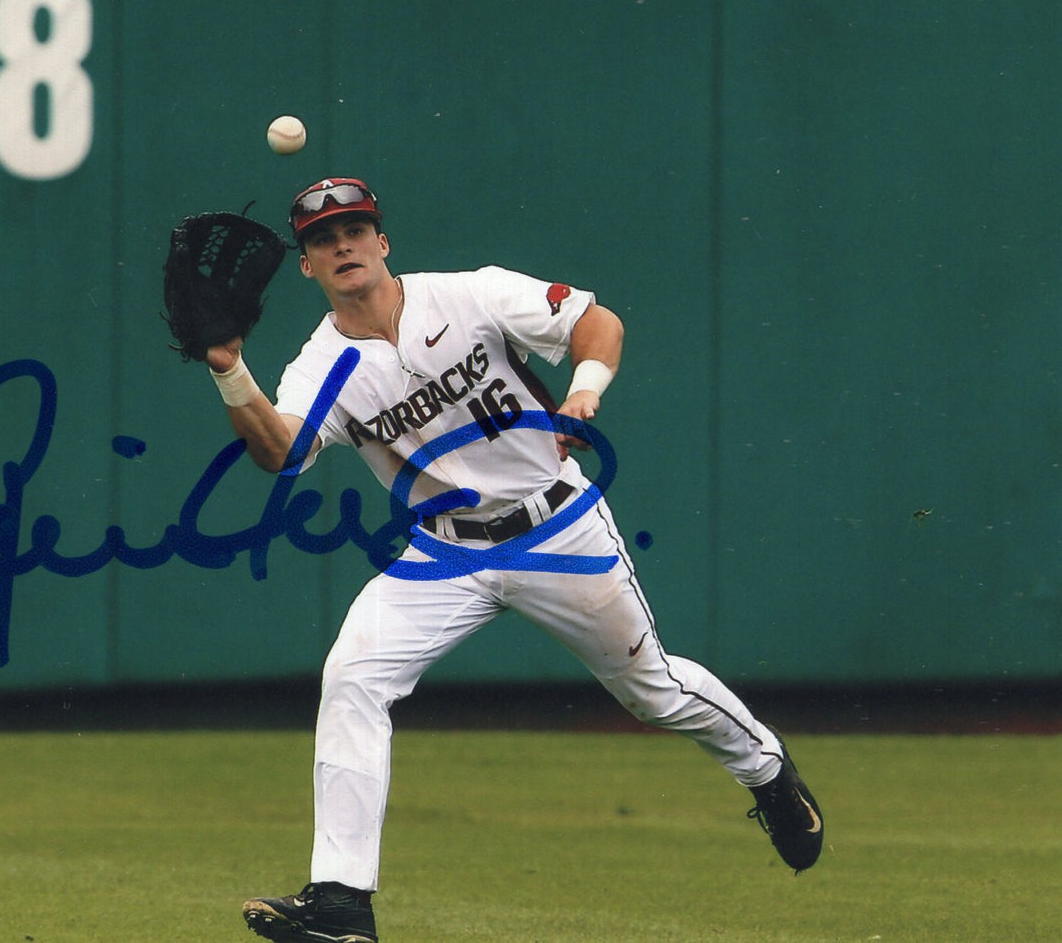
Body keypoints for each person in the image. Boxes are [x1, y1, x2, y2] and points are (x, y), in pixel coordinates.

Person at [200, 178, 823, 943]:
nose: (342, 246)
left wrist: (584, 389)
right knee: (353, 677)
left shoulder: (472, 296)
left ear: (382, 241)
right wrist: (229, 368)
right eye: (324, 239)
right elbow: (280, 453)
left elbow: (597, 323)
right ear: (306, 266)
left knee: (650, 693)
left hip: (556, 531)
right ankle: (340, 901)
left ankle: (763, 765)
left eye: (354, 229)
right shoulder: (321, 362)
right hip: (443, 553)